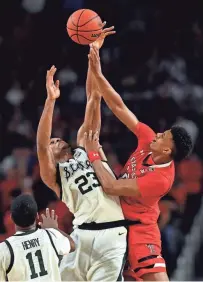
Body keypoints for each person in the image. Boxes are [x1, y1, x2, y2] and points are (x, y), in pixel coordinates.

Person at [84, 46, 193, 281]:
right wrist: (97, 71)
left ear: (166, 150)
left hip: (140, 229)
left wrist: (94, 155)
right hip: (112, 222)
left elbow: (111, 186)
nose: (157, 135)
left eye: (163, 137)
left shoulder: (161, 180)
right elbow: (119, 106)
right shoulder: (147, 138)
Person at [37, 26, 129, 281]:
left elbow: (93, 98)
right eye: (53, 141)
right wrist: (50, 101)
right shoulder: (53, 176)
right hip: (80, 238)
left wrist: (93, 52)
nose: (56, 139)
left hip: (111, 235)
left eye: (57, 137)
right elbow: (42, 145)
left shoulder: (85, 145)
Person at [0, 194, 74, 281]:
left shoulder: (4, 248)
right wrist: (54, 229)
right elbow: (72, 245)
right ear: (37, 216)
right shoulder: (50, 236)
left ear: (12, 218)